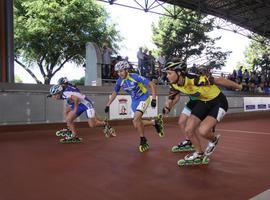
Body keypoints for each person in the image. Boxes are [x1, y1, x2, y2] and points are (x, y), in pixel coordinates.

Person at [162, 61, 242, 165]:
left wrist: (239, 86)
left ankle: (213, 139)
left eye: (169, 73)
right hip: (203, 102)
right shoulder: (174, 84)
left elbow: (220, 80)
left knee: (203, 131)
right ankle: (199, 153)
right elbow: (173, 97)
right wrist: (168, 106)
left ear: (179, 72)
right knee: (188, 129)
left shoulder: (195, 79)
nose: (167, 76)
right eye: (167, 74)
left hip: (218, 102)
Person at [104, 60, 164, 152]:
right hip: (134, 101)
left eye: (121, 71)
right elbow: (115, 92)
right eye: (118, 72)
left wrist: (154, 99)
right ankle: (154, 122)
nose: (119, 73)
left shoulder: (135, 77)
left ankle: (143, 140)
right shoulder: (120, 81)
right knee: (136, 124)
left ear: (126, 70)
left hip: (144, 98)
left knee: (136, 119)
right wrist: (108, 105)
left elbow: (152, 84)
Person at [49, 83, 116, 143]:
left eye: (55, 95)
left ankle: (104, 124)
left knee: (92, 125)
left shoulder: (65, 93)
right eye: (52, 95)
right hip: (79, 103)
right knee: (68, 118)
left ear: (59, 92)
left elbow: (76, 99)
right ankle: (73, 135)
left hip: (86, 104)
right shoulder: (62, 91)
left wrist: (75, 109)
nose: (54, 97)